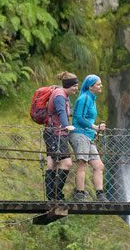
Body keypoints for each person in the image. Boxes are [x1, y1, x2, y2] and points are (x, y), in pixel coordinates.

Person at [69, 74, 108, 202]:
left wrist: (95, 129)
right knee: (82, 164)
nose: (101, 86)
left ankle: (100, 194)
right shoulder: (84, 98)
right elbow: (79, 118)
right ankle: (80, 193)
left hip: (88, 136)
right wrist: (95, 127)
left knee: (99, 165)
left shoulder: (92, 99)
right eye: (98, 84)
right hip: (80, 134)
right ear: (90, 87)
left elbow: (86, 118)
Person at [43, 72, 78, 201]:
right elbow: (61, 111)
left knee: (52, 163)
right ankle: (56, 194)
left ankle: (52, 196)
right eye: (75, 86)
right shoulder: (59, 96)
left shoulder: (63, 94)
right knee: (67, 163)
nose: (76, 88)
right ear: (68, 85)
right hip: (56, 134)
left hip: (52, 132)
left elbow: (68, 111)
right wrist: (66, 125)